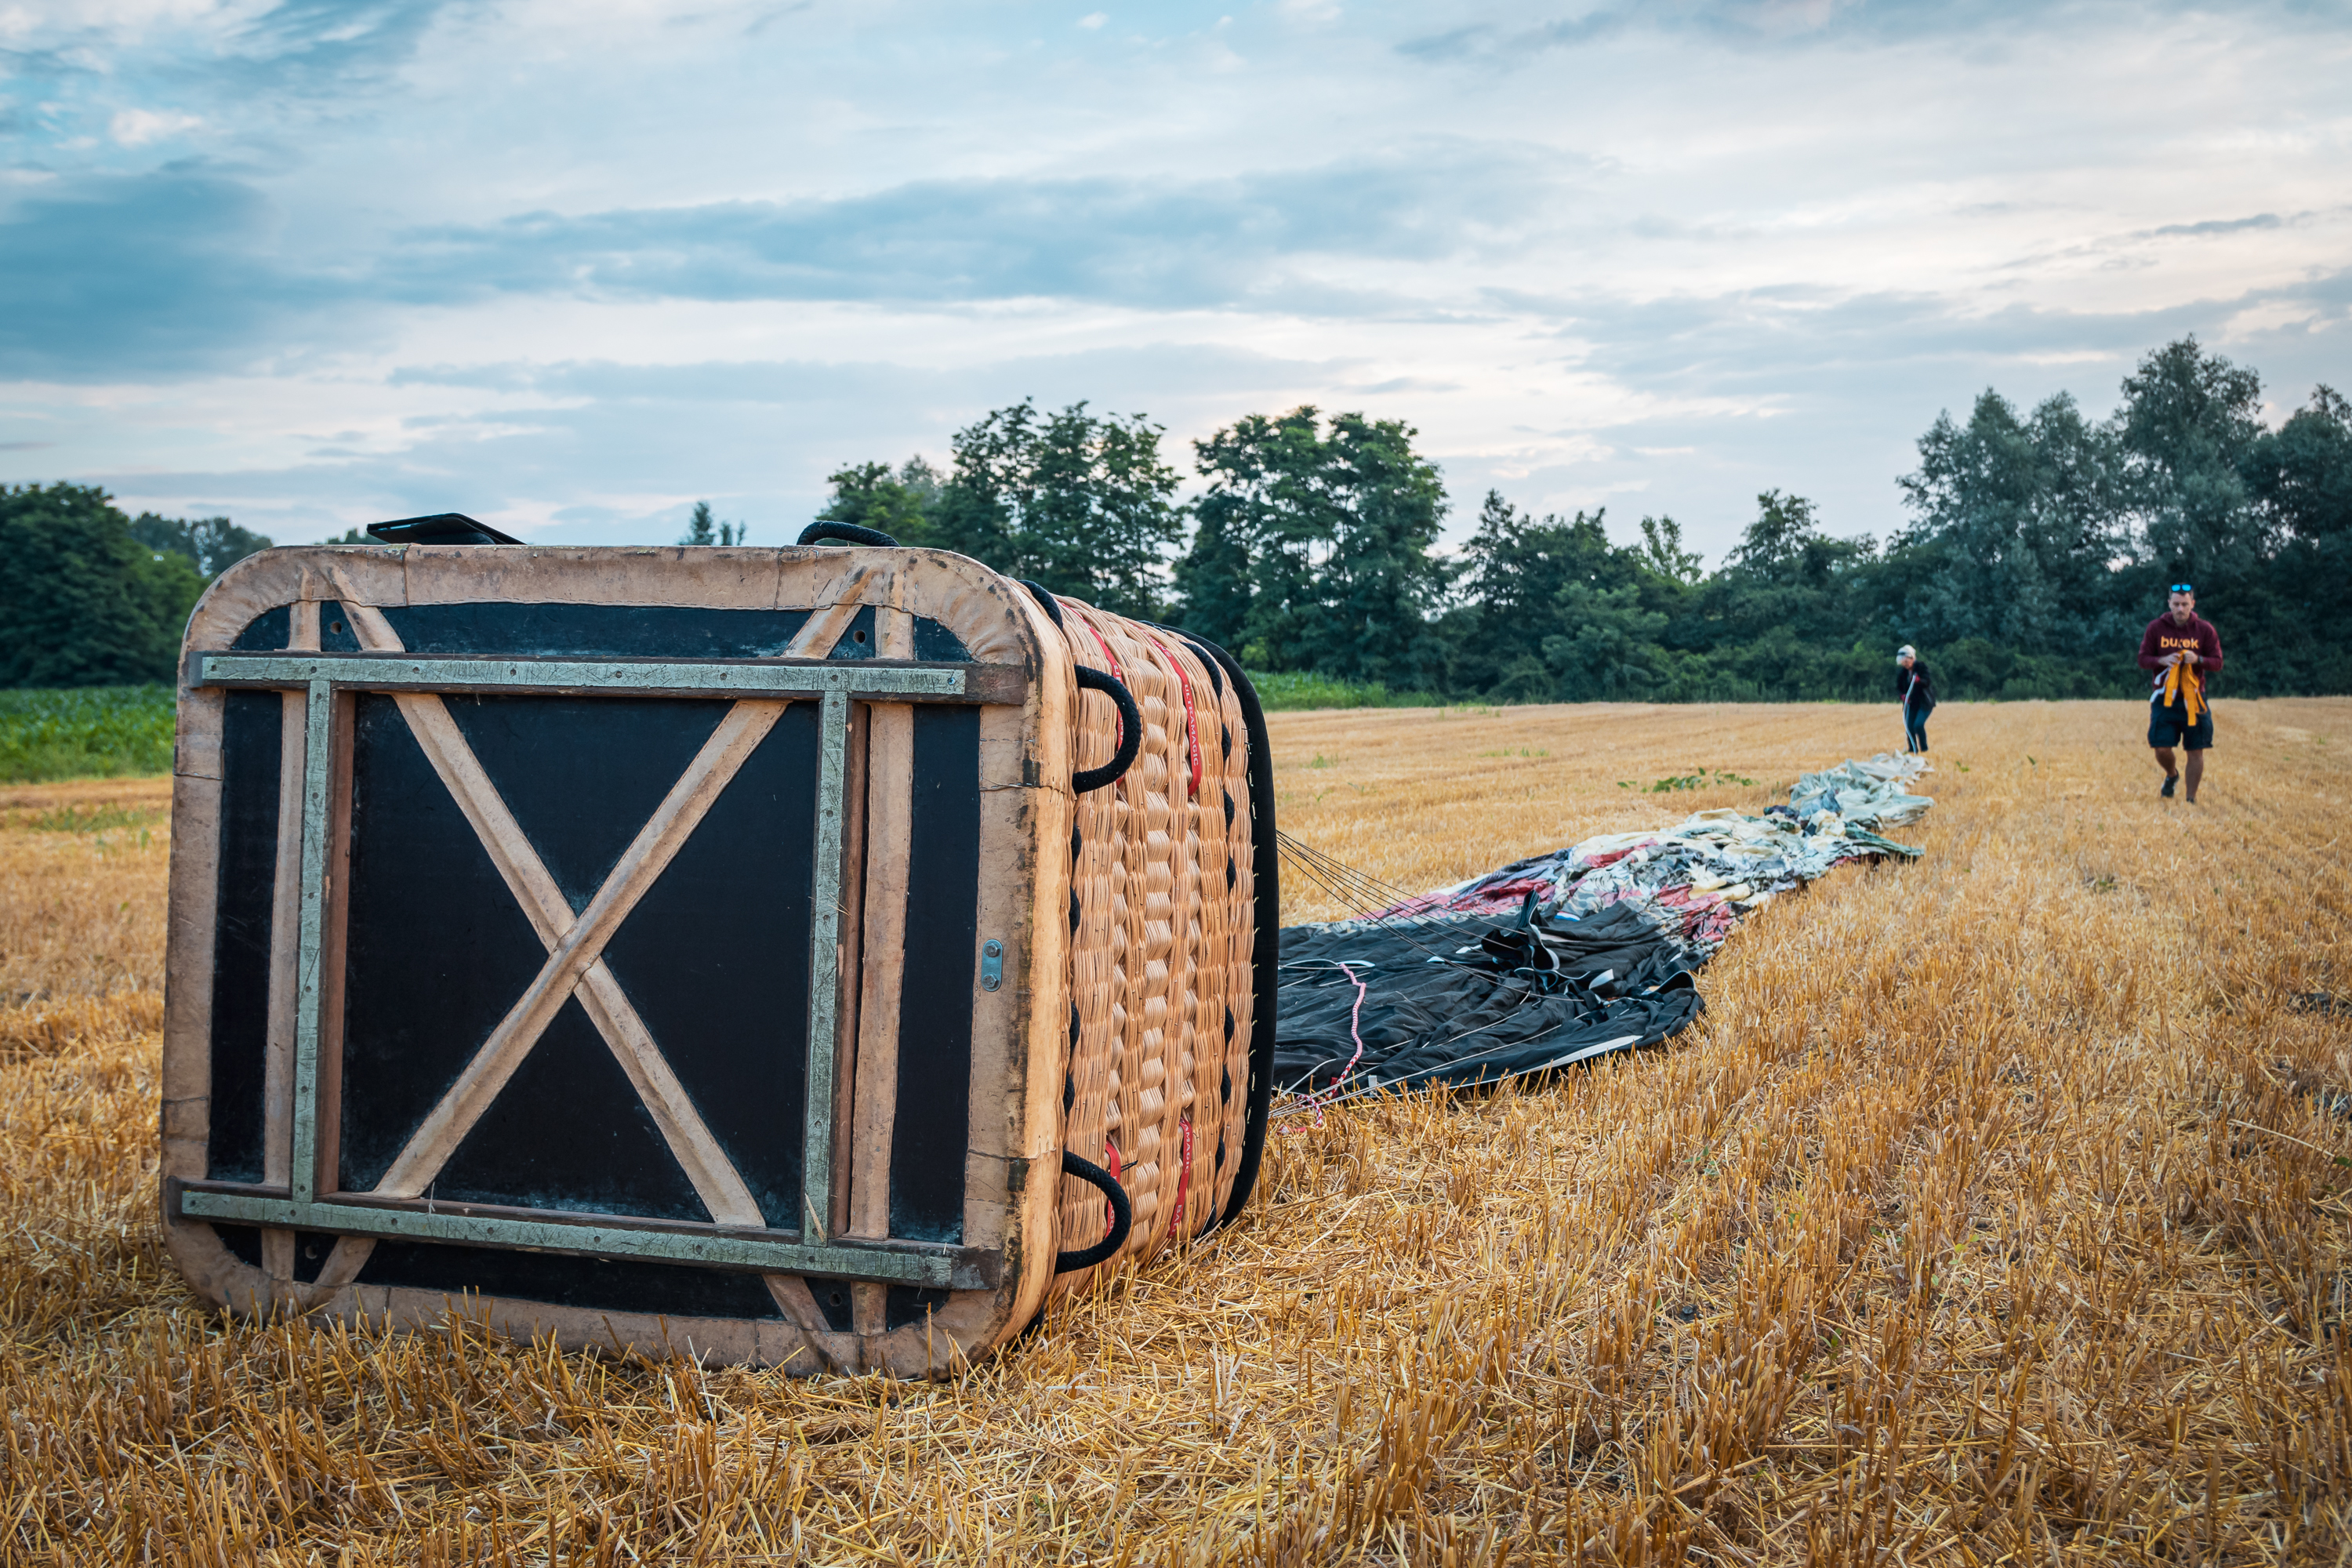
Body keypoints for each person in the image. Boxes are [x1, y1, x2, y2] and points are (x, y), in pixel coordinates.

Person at [2138, 583, 2222, 802]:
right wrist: (2161, 660)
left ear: (2193, 604)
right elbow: (2142, 659)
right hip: (2165, 698)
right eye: (2176, 604)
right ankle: (2172, 775)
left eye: (2185, 604)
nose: (2180, 609)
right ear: (2169, 604)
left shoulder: (2205, 630)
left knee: (2196, 750)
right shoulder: (2156, 628)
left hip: (2194, 698)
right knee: (2160, 747)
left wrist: (2199, 659)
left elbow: (2217, 663)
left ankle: (2190, 799)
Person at [1894, 644, 1934, 753]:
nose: (1905, 664)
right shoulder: (1903, 673)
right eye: (1903, 663)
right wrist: (1902, 696)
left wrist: (1919, 680)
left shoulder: (1921, 667)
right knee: (1909, 727)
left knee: (1918, 725)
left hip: (1924, 703)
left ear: (1912, 658)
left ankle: (1924, 749)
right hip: (1911, 703)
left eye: (1907, 662)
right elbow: (1899, 688)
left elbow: (1927, 682)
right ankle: (1912, 749)